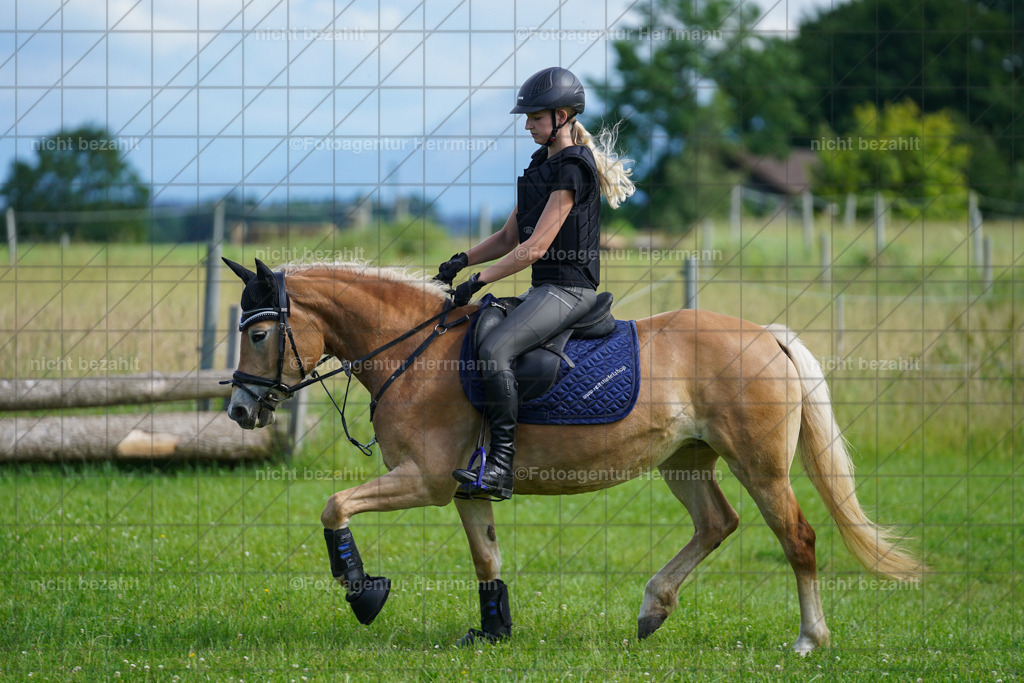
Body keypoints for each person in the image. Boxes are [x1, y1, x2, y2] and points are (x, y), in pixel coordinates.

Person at [436, 66, 635, 500]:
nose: (526, 124)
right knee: (479, 325)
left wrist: (479, 279)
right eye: (527, 117)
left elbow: (534, 248)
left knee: (496, 349)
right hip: (545, 290)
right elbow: (509, 237)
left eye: (535, 117)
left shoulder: (574, 167)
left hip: (570, 290)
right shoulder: (540, 164)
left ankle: (501, 466)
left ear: (561, 117)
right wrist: (461, 261)